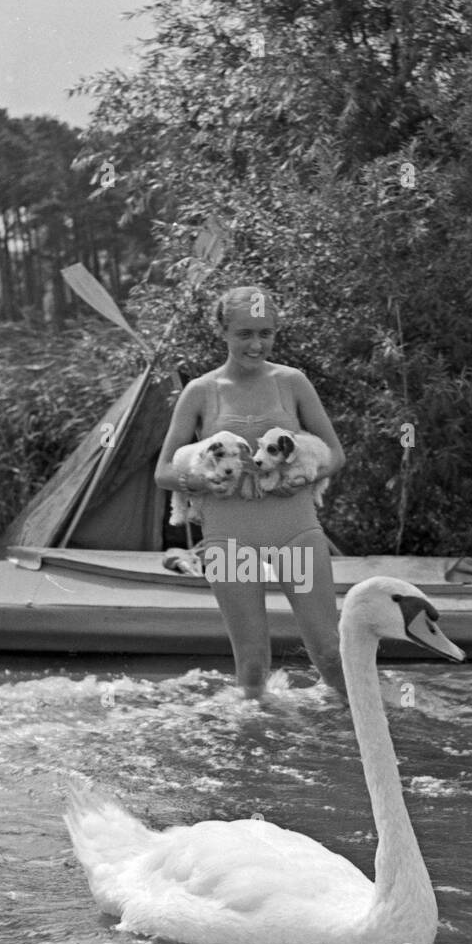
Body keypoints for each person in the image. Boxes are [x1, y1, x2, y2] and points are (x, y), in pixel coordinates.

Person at [155, 285, 346, 700]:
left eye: (266, 333)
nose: (256, 344)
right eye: (245, 334)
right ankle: (255, 753)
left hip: (294, 533)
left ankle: (362, 742)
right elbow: (164, 472)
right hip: (230, 543)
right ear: (222, 331)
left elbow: (334, 453)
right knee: (253, 665)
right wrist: (199, 482)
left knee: (331, 656)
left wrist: (306, 475)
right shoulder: (201, 392)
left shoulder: (291, 383)